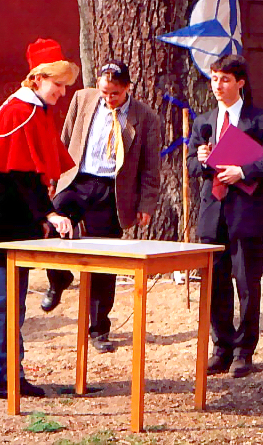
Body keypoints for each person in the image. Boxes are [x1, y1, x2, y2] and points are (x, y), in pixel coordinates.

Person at [0, 38, 77, 398]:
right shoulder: (20, 112)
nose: (62, 92)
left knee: (13, 302)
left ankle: (10, 372)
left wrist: (40, 216)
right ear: (37, 79)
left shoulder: (31, 110)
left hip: (14, 225)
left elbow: (29, 174)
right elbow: (20, 174)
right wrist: (48, 212)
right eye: (57, 84)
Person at [40, 60, 161, 353]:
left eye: (115, 93)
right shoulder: (83, 99)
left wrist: (146, 204)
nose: (108, 98)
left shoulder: (146, 118)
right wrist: (53, 180)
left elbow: (150, 168)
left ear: (127, 88)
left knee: (104, 261)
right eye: (104, 91)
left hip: (112, 190)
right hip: (77, 181)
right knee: (52, 226)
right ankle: (59, 279)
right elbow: (64, 140)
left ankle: (99, 329)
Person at [187, 53, 263, 377]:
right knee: (215, 283)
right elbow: (191, 165)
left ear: (240, 83)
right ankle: (221, 348)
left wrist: (243, 171)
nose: (218, 85)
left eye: (225, 80)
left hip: (246, 212)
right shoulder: (204, 121)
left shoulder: (261, 120)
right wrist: (201, 160)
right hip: (213, 211)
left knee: (246, 283)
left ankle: (244, 351)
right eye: (214, 79)